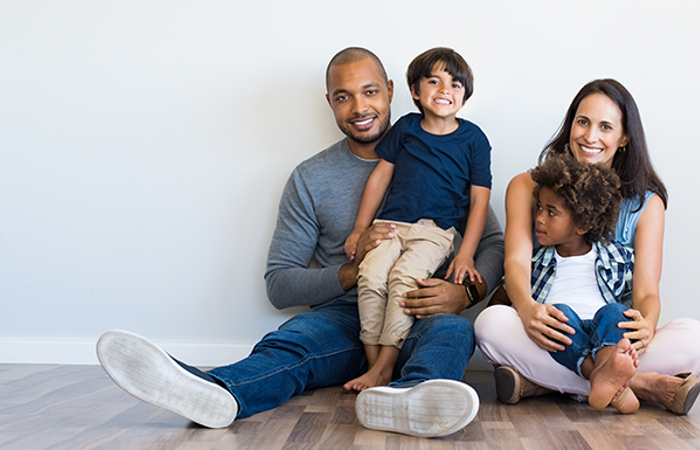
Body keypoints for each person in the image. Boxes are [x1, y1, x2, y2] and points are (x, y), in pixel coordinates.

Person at [96, 47, 505, 438]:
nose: (360, 108)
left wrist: (464, 292)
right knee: (293, 340)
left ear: (393, 91)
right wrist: (353, 269)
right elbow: (280, 285)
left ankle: (406, 401)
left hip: (421, 312)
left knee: (453, 333)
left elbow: (491, 243)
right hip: (344, 320)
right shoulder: (311, 178)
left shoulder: (446, 157)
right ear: (330, 103)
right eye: (344, 97)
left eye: (370, 92)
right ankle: (217, 391)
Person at [474, 78, 700, 415]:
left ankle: (542, 383)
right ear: (570, 125)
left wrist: (647, 325)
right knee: (490, 324)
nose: (590, 137)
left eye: (605, 127)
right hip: (552, 329)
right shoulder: (527, 186)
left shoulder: (646, 205)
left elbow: (647, 292)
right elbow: (517, 263)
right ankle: (646, 384)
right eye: (583, 122)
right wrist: (528, 309)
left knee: (693, 336)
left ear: (623, 138)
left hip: (610, 335)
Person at [343, 48, 492, 392]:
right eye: (434, 81)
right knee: (371, 275)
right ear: (414, 91)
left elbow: (480, 202)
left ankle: (385, 366)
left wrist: (466, 253)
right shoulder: (406, 128)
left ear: (465, 97)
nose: (444, 89)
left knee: (403, 279)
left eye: (455, 84)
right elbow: (379, 178)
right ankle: (374, 366)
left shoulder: (474, 140)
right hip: (391, 225)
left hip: (434, 232)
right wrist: (360, 228)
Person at [529, 155, 640, 414]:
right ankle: (604, 380)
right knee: (559, 314)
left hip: (603, 332)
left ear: (583, 224)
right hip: (565, 332)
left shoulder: (615, 256)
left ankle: (606, 366)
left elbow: (635, 298)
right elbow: (508, 295)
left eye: (551, 212)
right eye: (539, 208)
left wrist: (641, 323)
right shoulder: (535, 261)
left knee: (614, 312)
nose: (539, 218)